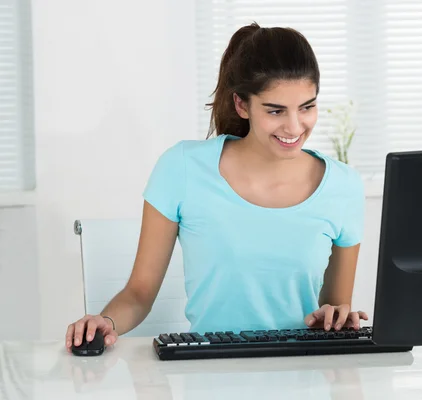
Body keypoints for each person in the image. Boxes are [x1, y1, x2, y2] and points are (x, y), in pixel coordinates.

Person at [65, 22, 367, 351]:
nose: (295, 126)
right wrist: (104, 322)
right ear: (242, 105)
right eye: (275, 110)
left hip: (305, 375)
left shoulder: (343, 186)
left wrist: (337, 317)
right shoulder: (182, 168)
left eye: (307, 107)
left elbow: (334, 309)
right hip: (210, 373)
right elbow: (138, 294)